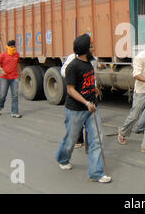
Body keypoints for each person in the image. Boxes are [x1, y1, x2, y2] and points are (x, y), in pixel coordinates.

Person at [55, 34, 111, 183]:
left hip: (92, 108)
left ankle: (96, 173)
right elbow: (71, 90)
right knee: (71, 139)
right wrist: (86, 103)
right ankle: (62, 158)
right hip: (76, 109)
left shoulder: (90, 62)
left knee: (96, 140)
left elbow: (86, 82)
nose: (93, 48)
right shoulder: (73, 66)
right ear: (86, 49)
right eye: (91, 46)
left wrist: (94, 89)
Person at [117, 34, 145, 153]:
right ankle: (122, 132)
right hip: (141, 91)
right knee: (134, 116)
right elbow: (136, 75)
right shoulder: (140, 57)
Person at [0, 40, 23, 118]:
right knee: (3, 95)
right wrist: (1, 70)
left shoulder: (17, 55)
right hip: (4, 78)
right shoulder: (3, 55)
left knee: (15, 96)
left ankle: (15, 112)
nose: (12, 48)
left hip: (14, 78)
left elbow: (18, 64)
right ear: (7, 47)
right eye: (11, 46)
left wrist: (21, 73)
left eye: (14, 46)